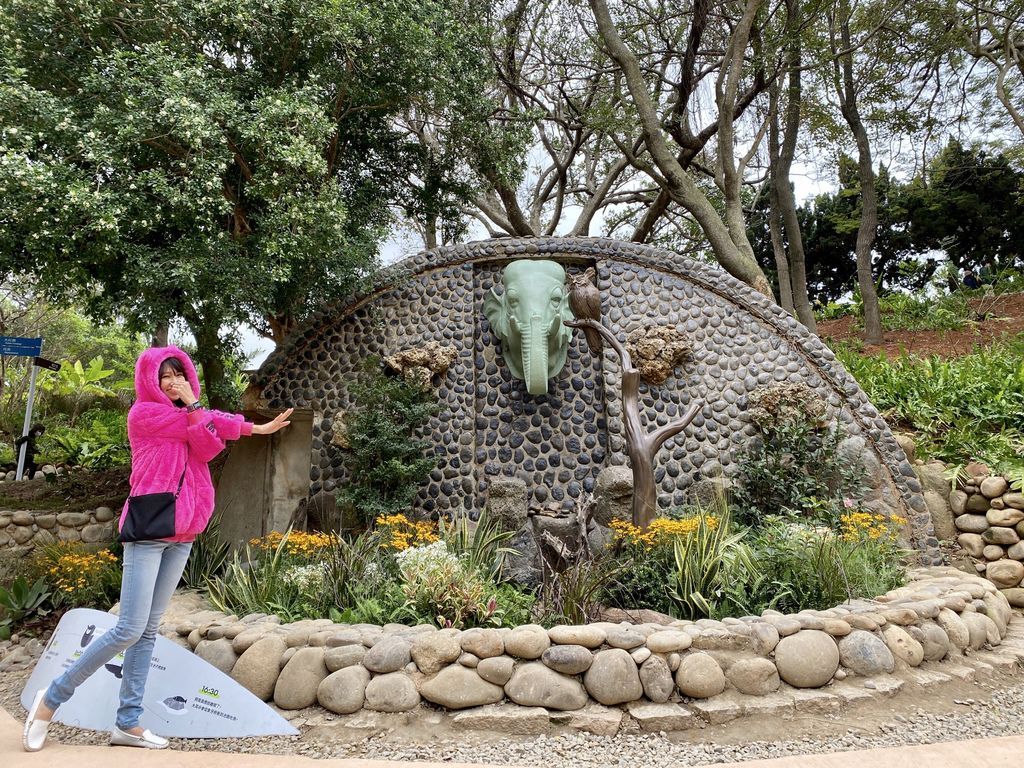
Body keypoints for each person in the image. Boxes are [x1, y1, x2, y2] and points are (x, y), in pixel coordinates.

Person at [22, 345, 292, 752]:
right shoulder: (145, 414)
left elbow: (207, 444)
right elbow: (208, 431)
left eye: (177, 373)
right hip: (150, 528)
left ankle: (126, 724)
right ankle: (53, 697)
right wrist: (207, 411)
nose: (171, 381)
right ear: (149, 378)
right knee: (129, 627)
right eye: (164, 375)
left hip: (183, 532)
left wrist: (258, 429)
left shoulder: (188, 414)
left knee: (148, 630)